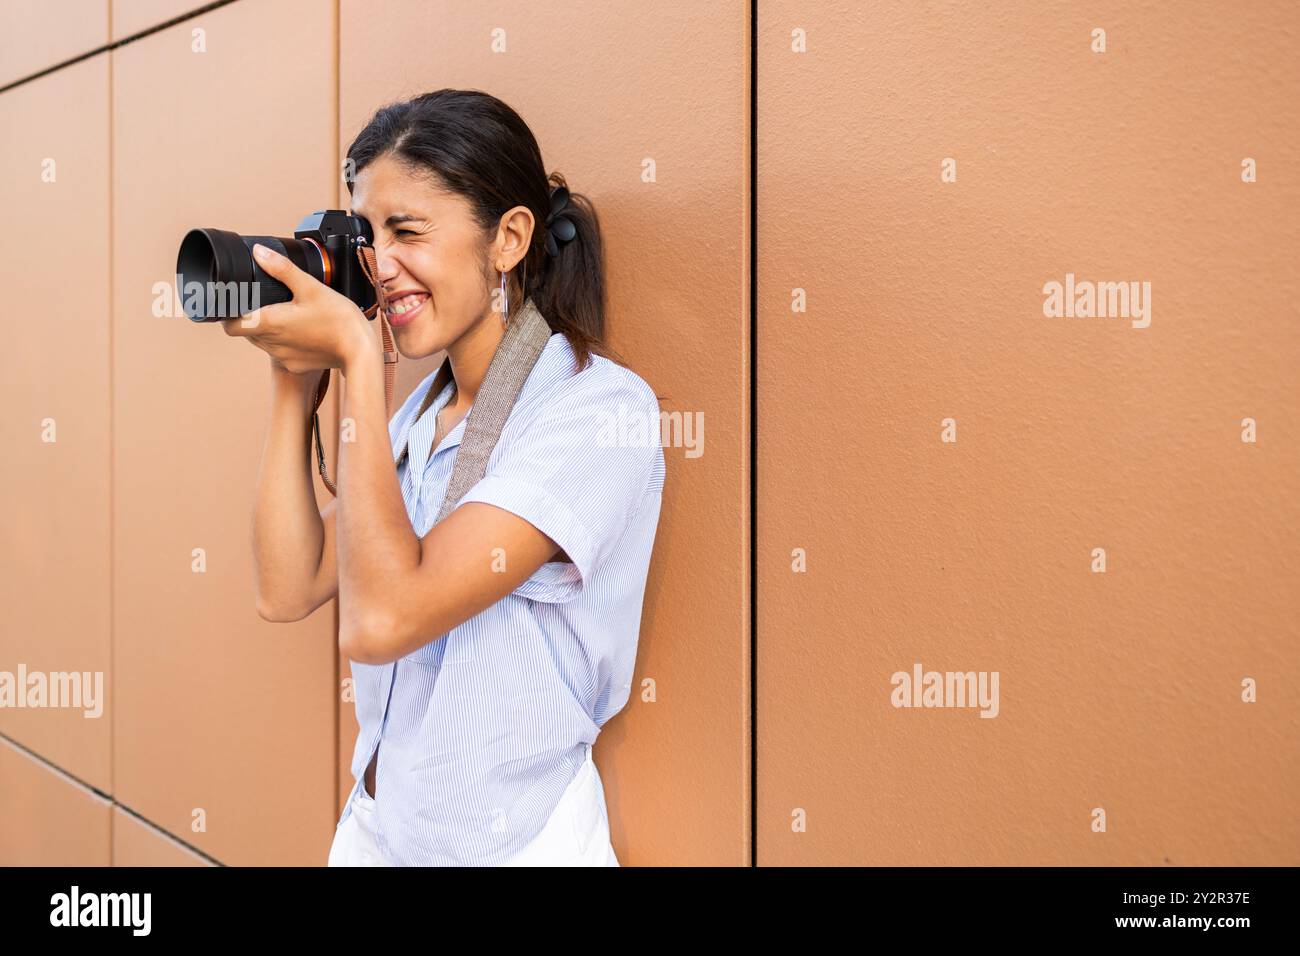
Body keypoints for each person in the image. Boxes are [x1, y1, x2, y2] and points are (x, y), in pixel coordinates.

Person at [224, 89, 665, 865]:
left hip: (513, 847)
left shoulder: (595, 411)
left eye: (407, 232)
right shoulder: (422, 417)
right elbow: (287, 587)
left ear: (508, 239)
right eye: (367, 234)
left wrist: (361, 361)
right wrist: (294, 387)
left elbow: (381, 621)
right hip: (379, 835)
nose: (378, 267)